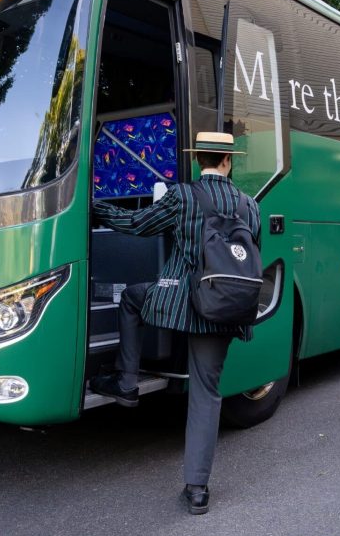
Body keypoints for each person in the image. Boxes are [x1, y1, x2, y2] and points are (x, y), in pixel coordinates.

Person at [90, 131, 261, 514]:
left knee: (132, 298)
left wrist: (96, 207)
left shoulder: (183, 195)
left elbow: (136, 225)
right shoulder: (250, 205)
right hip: (223, 308)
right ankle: (197, 490)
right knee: (206, 394)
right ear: (228, 161)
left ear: (197, 160)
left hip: (179, 302)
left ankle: (127, 381)